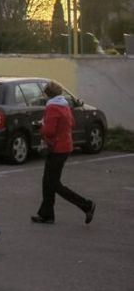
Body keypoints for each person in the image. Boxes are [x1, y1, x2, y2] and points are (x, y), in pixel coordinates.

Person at [32, 80, 95, 225]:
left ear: (48, 94)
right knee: (48, 182)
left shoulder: (52, 107)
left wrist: (40, 128)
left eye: (44, 93)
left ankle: (86, 205)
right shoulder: (64, 105)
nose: (43, 96)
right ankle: (46, 215)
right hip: (65, 146)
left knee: (52, 183)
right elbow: (71, 123)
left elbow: (49, 131)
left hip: (56, 148)